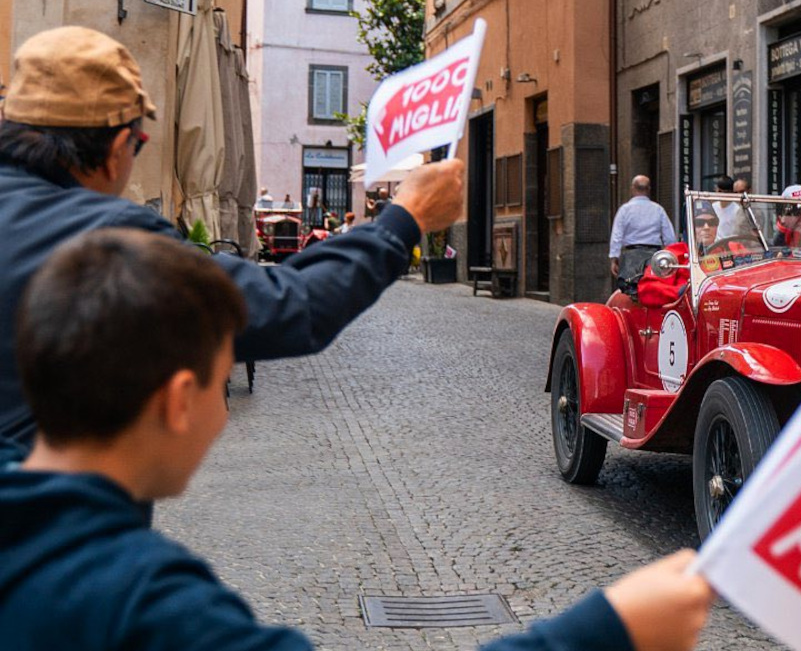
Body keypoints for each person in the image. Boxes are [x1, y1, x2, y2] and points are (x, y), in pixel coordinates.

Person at [0, 228, 716, 651]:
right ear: (177, 401)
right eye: (222, 385)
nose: (223, 417)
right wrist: (598, 639)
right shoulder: (142, 603)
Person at [0, 26, 464, 447]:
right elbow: (295, 306)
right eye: (139, 146)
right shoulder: (108, 242)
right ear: (119, 148)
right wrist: (406, 216)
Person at [608, 174, 676, 278]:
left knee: (630, 284)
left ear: (632, 189)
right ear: (648, 189)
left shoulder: (624, 210)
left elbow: (617, 236)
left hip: (631, 256)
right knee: (652, 284)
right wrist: (671, 256)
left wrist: (614, 258)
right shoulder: (658, 209)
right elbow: (669, 237)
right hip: (653, 256)